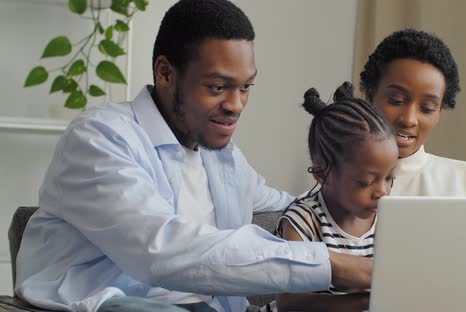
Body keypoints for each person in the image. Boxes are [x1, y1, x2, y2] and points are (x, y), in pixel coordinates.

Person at [15, 1, 372, 311]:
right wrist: (332, 263)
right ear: (166, 73)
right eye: (218, 87)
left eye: (245, 87)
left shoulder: (223, 158)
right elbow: (163, 250)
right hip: (107, 304)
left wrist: (366, 193)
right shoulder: (101, 138)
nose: (235, 105)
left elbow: (291, 206)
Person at [258, 82, 398, 312]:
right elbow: (289, 304)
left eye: (389, 178)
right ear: (322, 174)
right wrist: (363, 302)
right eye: (366, 182)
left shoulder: (388, 219)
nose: (382, 191)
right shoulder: (303, 220)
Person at [359, 29, 466, 197]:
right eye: (396, 100)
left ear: (439, 112)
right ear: (370, 97)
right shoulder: (331, 179)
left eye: (427, 108)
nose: (408, 120)